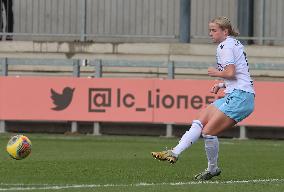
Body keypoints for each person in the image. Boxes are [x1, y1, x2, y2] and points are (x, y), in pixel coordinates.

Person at [151, 16, 255, 180]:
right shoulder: (234, 43)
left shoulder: (225, 46)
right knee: (200, 119)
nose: (210, 34)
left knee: (208, 132)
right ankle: (175, 152)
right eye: (210, 30)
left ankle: (212, 169)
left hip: (240, 98)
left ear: (225, 31)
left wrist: (216, 73)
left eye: (214, 30)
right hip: (238, 94)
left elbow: (230, 73)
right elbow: (240, 74)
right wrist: (222, 85)